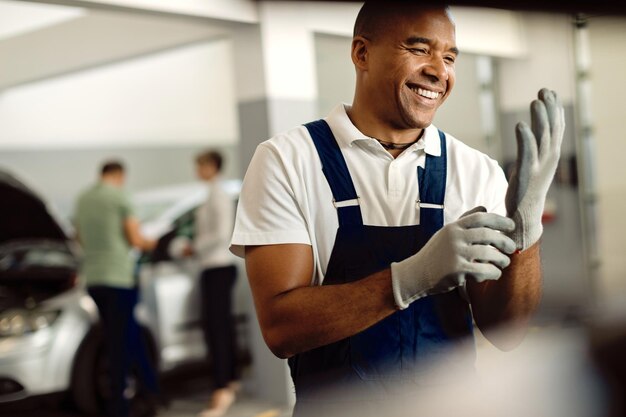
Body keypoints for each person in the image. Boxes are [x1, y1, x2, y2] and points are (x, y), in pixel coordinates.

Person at [231, 1, 565, 416]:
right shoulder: (288, 160)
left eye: (449, 57)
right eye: (419, 49)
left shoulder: (475, 170)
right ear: (361, 53)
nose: (439, 71)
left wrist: (526, 238)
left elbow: (506, 332)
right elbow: (281, 330)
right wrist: (411, 278)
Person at [74, 160, 160, 417]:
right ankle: (121, 406)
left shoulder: (83, 198)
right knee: (121, 343)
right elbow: (135, 239)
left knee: (124, 335)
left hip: (94, 279)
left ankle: (151, 390)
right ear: (120, 175)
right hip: (119, 278)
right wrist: (152, 243)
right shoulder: (120, 197)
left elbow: (78, 237)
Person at [181, 150, 240, 417]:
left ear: (212, 166)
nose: (197, 170)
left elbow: (220, 234)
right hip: (212, 267)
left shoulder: (219, 195)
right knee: (219, 327)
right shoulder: (210, 194)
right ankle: (229, 381)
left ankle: (222, 388)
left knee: (216, 328)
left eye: (200, 165)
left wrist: (193, 247)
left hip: (219, 267)